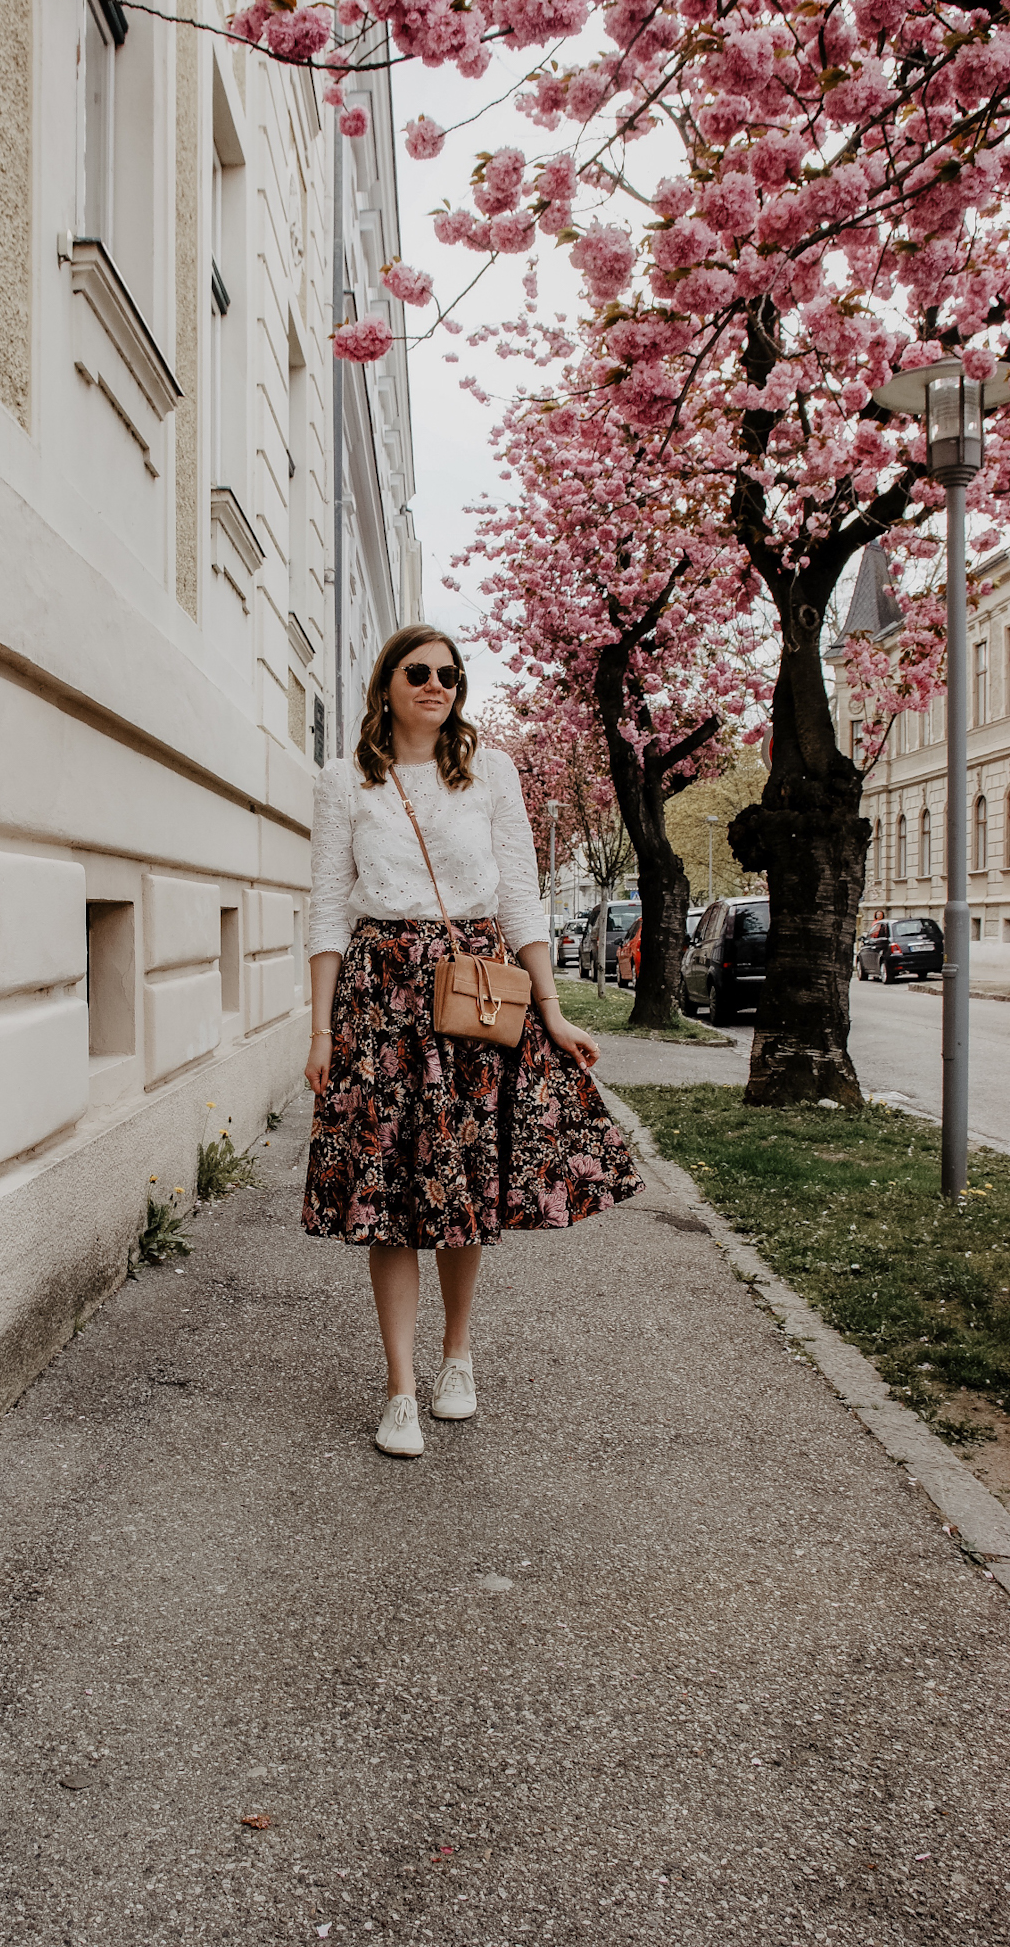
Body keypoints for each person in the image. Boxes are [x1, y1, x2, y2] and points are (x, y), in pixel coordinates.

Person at [302, 624, 643, 1458]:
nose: (434, 686)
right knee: (387, 1194)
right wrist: (319, 1028)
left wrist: (554, 1010)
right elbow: (324, 909)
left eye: (448, 675)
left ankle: (456, 1357)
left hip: (474, 997)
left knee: (460, 1188)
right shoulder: (345, 780)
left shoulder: (489, 771)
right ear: (385, 683)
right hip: (379, 999)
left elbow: (520, 898)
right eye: (417, 673)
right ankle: (398, 1389)